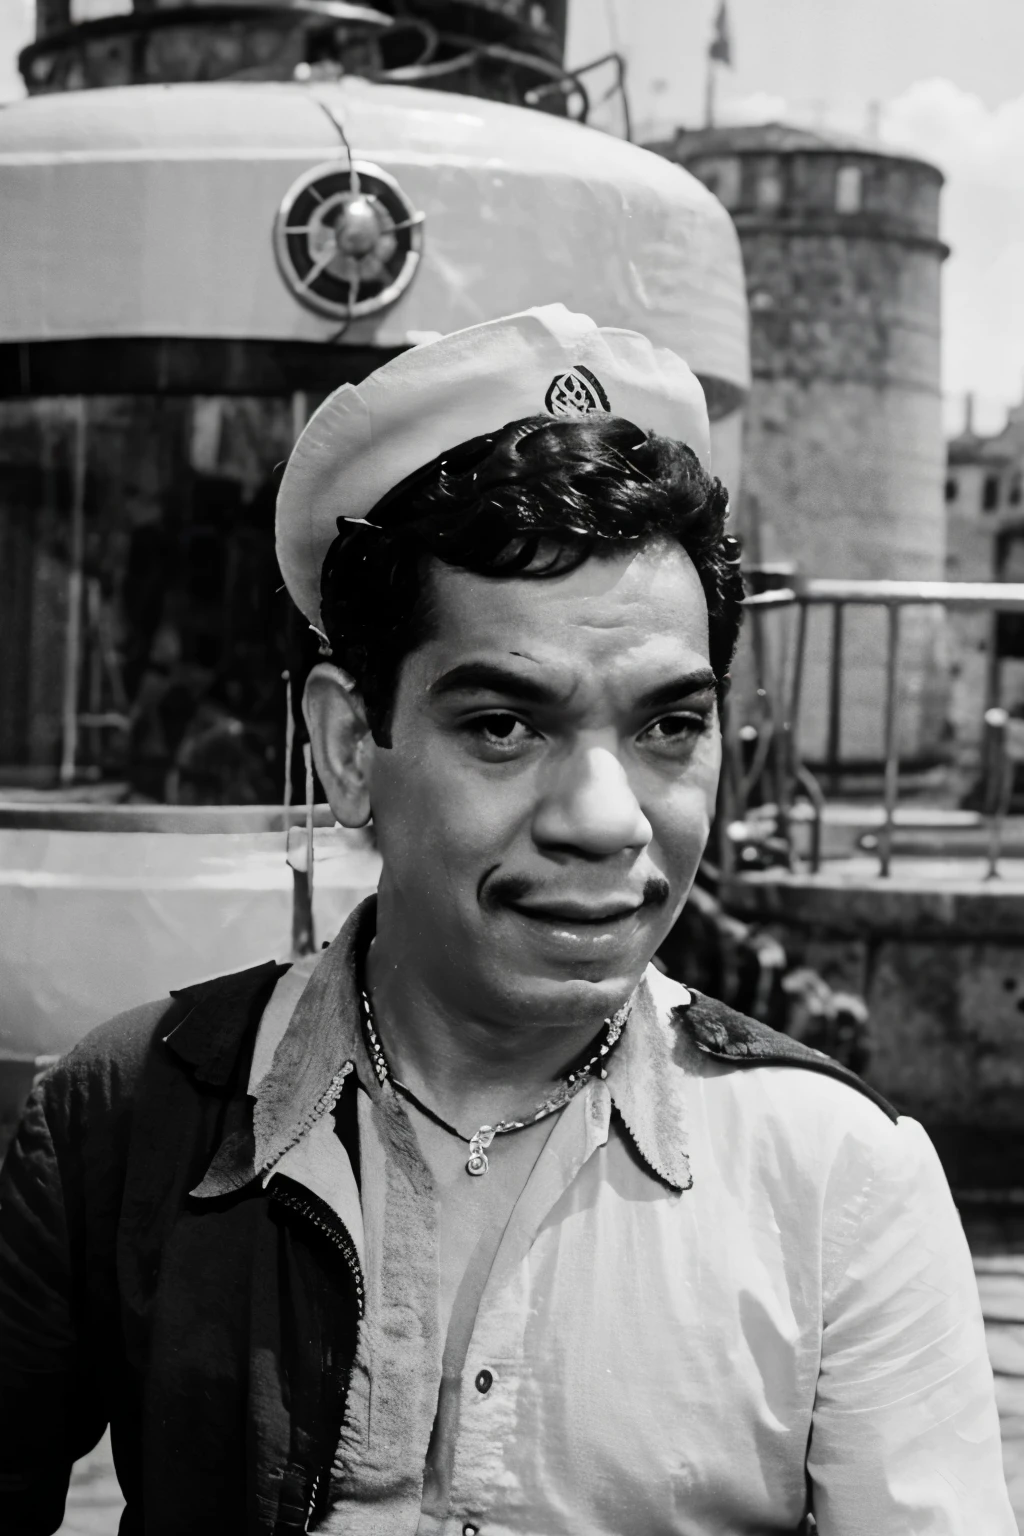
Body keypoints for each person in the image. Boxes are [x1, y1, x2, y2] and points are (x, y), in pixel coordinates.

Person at [0, 306, 1013, 1536]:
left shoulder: (839, 1182)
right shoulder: (114, 1122)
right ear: (346, 748)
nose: (606, 821)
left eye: (666, 727)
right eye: (503, 725)